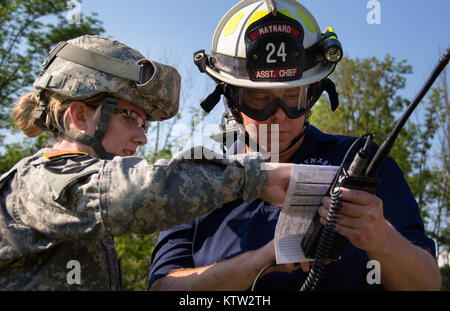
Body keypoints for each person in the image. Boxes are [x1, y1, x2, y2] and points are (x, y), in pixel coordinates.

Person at [148, 0, 441, 291]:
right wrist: (259, 262)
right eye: (260, 100)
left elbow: (427, 285)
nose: (278, 115)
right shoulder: (198, 179)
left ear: (312, 94)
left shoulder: (364, 166)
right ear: (232, 99)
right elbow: (162, 288)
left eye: (292, 99)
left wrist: (382, 238)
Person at [0, 35, 294, 290]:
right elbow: (139, 192)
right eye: (130, 118)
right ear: (80, 116)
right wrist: (253, 176)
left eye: (145, 124)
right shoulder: (40, 182)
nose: (142, 138)